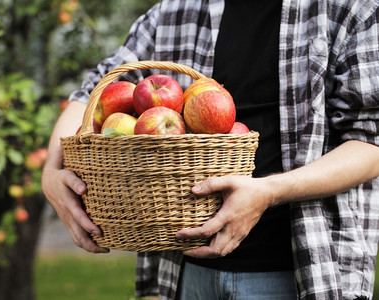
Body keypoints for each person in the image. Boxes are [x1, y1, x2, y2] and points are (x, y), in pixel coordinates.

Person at [41, 0, 379, 299]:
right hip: (184, 269)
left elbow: (370, 143)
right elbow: (95, 89)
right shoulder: (177, 9)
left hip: (302, 270)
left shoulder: (348, 8)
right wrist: (51, 173)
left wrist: (269, 190)